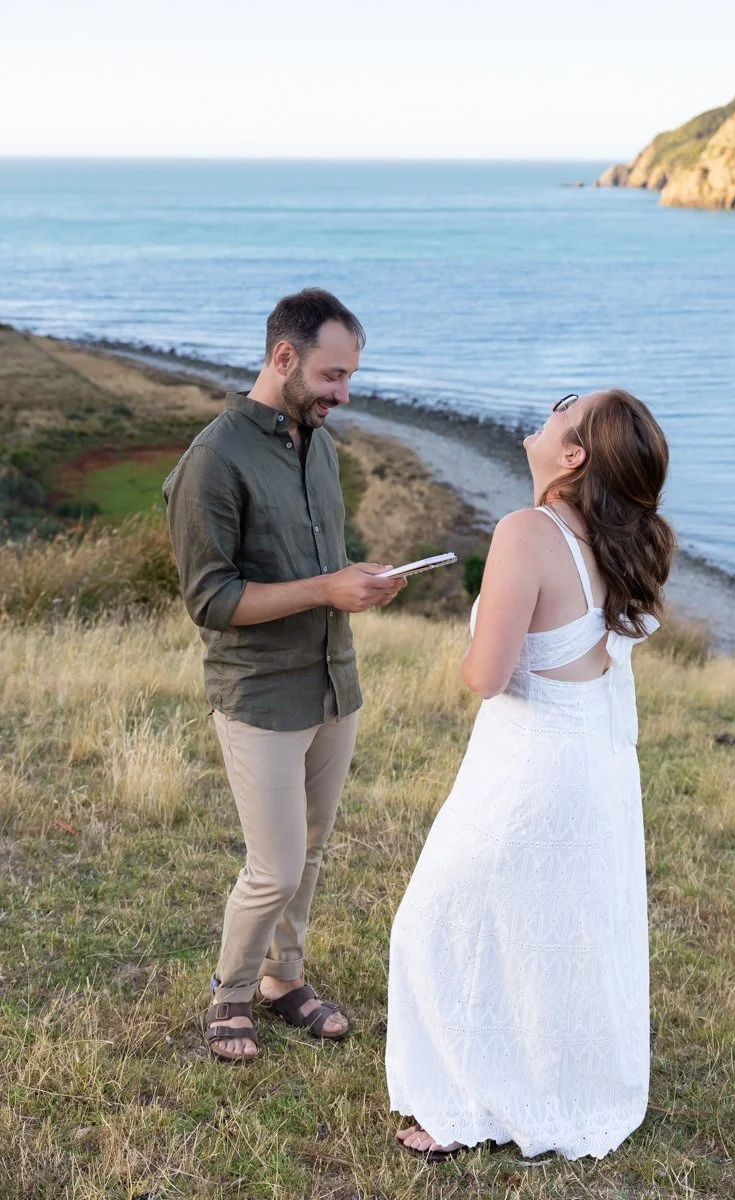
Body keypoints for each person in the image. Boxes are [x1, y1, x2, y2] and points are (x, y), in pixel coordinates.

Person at [386, 389, 675, 1160]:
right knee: (560, 928)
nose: (545, 415)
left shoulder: (528, 530)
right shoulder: (621, 537)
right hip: (597, 764)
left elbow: (486, 675)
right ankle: (557, 1085)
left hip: (530, 766)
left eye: (561, 410)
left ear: (572, 455)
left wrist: (466, 642)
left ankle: (465, 1102)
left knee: (440, 923)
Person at [164, 288, 405, 1063]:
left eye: (351, 379)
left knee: (314, 849)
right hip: (260, 694)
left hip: (334, 682)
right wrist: (324, 590)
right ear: (284, 358)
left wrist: (359, 581)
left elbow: (320, 567)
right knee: (274, 866)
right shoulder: (213, 458)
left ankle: (282, 980)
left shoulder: (323, 446)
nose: (344, 393)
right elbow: (211, 599)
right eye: (334, 377)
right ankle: (230, 994)